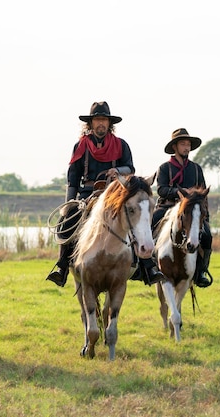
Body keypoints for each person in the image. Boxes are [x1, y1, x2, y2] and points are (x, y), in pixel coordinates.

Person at [46, 101, 165, 287]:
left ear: (110, 124)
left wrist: (117, 170)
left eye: (104, 120)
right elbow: (73, 178)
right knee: (66, 221)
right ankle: (62, 266)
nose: (101, 123)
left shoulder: (121, 144)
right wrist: (69, 202)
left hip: (114, 195)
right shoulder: (81, 146)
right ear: (91, 123)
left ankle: (147, 266)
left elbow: (130, 168)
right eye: (97, 120)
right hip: (87, 195)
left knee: (136, 218)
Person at [153, 128, 213, 288]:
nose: (186, 147)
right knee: (152, 223)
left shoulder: (196, 168)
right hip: (167, 207)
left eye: (188, 145)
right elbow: (161, 189)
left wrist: (205, 216)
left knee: (207, 236)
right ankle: (148, 267)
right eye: (183, 144)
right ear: (175, 147)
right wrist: (179, 192)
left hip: (192, 213)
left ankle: (201, 271)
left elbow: (203, 193)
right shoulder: (165, 168)